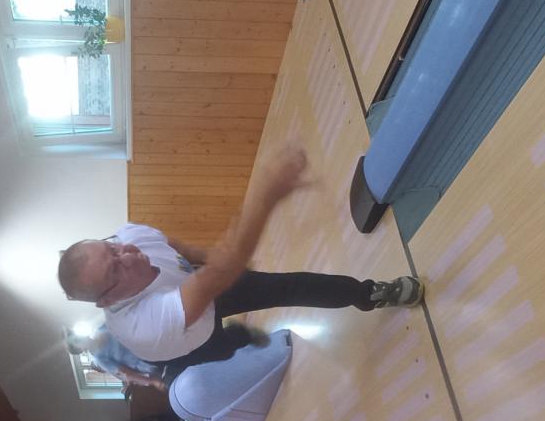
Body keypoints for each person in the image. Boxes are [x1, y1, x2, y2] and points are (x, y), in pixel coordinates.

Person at [57, 145, 423, 376]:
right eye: (115, 267)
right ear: (107, 300)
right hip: (190, 342)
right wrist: (267, 194)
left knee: (289, 286)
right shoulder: (142, 326)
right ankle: (239, 337)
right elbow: (220, 274)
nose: (126, 253)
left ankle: (369, 294)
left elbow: (172, 245)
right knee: (225, 345)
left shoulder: (128, 236)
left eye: (111, 247)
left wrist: (207, 257)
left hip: (192, 289)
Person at [70, 326, 167, 391]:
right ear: (80, 349)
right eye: (77, 340)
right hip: (147, 362)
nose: (80, 337)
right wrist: (152, 381)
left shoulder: (101, 328)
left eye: (77, 335)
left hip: (149, 342)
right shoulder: (100, 359)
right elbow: (126, 373)